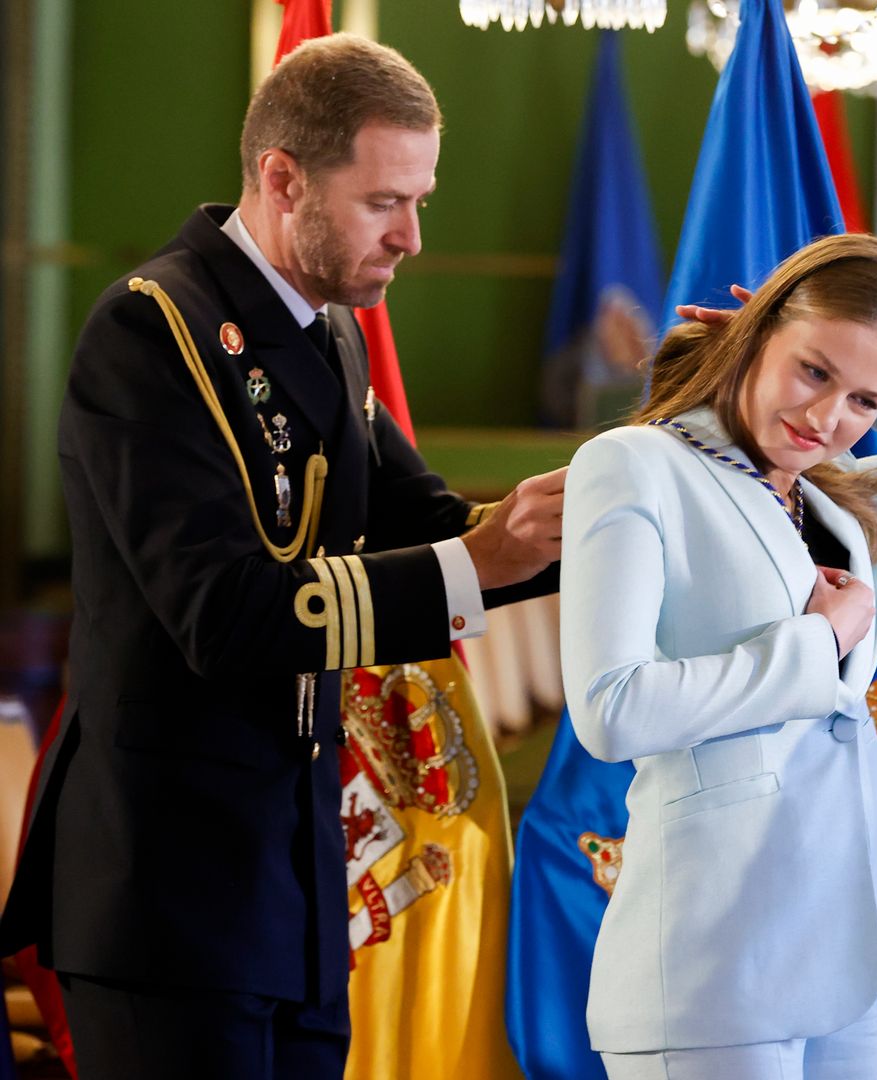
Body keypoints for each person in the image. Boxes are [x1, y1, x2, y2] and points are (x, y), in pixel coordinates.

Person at [0, 34, 564, 1080]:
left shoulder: (328, 330)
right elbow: (224, 614)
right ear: (282, 179)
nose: (413, 237)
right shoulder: (152, 329)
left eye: (421, 200)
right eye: (385, 201)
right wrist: (477, 562)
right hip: (168, 886)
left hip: (297, 878)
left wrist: (643, 494)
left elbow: (426, 519)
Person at [560, 233, 877, 1080]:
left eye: (864, 401)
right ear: (756, 335)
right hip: (715, 947)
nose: (826, 420)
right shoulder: (637, 464)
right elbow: (612, 709)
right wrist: (817, 642)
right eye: (813, 371)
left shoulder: (839, 490)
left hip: (851, 934)